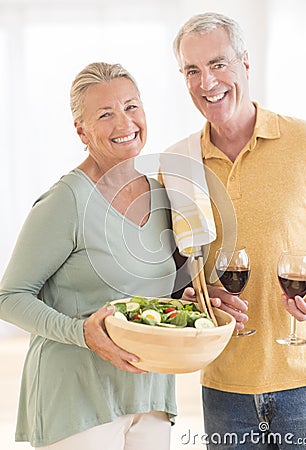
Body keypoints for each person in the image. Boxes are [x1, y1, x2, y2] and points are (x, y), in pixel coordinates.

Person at [0, 62, 180, 450]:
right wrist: (81, 333)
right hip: (78, 402)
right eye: (105, 114)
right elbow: (9, 297)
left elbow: (162, 293)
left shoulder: (162, 195)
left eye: (132, 107)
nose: (124, 122)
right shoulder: (67, 200)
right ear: (81, 130)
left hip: (150, 397)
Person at [168, 11, 306, 449]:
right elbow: (177, 269)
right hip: (223, 383)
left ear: (245, 63)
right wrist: (192, 292)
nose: (206, 82)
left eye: (218, 64)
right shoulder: (178, 166)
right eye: (192, 71)